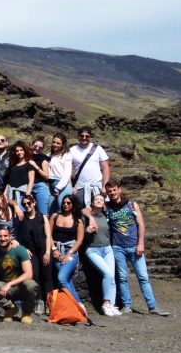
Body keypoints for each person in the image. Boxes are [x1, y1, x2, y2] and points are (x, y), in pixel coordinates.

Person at [105, 181, 169, 316]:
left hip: (135, 246)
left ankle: (153, 307)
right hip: (118, 247)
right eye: (109, 191)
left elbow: (141, 224)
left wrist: (141, 243)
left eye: (114, 190)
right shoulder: (108, 208)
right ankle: (127, 306)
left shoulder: (131, 204)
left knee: (143, 277)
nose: (112, 193)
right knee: (122, 277)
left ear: (119, 190)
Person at [0, 226, 38, 324]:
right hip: (5, 288)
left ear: (10, 236)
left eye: (5, 236)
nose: (3, 238)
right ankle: (10, 308)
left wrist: (10, 284)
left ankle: (26, 313)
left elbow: (29, 274)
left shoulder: (20, 250)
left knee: (31, 285)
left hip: (21, 286)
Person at [14, 193, 53, 315]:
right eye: (24, 204)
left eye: (29, 203)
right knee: (35, 275)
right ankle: (39, 301)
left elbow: (48, 236)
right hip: (30, 251)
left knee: (47, 277)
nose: (26, 206)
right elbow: (18, 238)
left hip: (43, 250)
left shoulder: (42, 217)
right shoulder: (21, 218)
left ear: (34, 203)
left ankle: (50, 302)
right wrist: (24, 249)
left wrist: (47, 252)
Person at [82, 194, 120, 316]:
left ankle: (112, 305)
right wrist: (87, 231)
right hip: (92, 250)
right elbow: (80, 235)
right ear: (92, 203)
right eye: (96, 199)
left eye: (101, 200)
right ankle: (105, 304)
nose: (98, 201)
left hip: (107, 249)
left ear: (104, 204)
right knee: (108, 274)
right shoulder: (86, 216)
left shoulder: (106, 216)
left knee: (112, 277)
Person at [51, 195, 85, 303]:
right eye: (64, 202)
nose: (65, 204)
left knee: (61, 278)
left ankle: (75, 305)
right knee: (67, 279)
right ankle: (79, 305)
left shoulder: (78, 221)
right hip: (57, 251)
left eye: (68, 203)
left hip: (71, 251)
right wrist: (53, 249)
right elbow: (48, 235)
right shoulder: (55, 216)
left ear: (73, 204)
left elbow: (79, 240)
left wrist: (69, 253)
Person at [69, 126, 110, 209]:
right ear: (78, 136)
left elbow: (106, 168)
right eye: (82, 135)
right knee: (80, 213)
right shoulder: (72, 150)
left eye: (87, 136)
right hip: (80, 188)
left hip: (97, 187)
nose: (84, 138)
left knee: (99, 212)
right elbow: (67, 170)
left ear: (90, 136)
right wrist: (70, 187)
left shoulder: (98, 149)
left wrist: (104, 186)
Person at [47, 132, 73, 214]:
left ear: (63, 145)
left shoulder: (67, 155)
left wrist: (58, 188)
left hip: (62, 185)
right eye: (54, 142)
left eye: (58, 143)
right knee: (51, 211)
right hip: (51, 184)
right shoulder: (49, 155)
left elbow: (67, 173)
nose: (55, 144)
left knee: (62, 210)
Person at [3, 140, 33, 210]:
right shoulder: (13, 165)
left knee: (23, 214)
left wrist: (27, 195)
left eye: (21, 150)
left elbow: (31, 181)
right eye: (17, 151)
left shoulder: (29, 164)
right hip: (10, 194)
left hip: (23, 194)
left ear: (25, 150)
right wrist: (5, 193)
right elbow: (9, 181)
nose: (19, 152)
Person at [29, 136, 51, 216]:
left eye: (40, 148)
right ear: (31, 145)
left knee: (43, 215)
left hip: (39, 187)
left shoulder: (43, 159)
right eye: (35, 146)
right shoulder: (26, 156)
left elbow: (46, 176)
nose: (37, 148)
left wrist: (36, 166)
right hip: (27, 187)